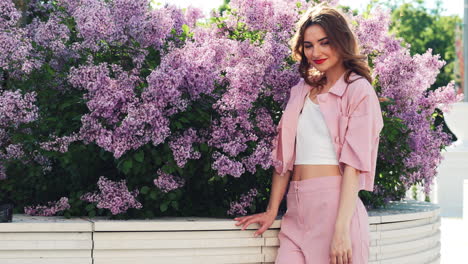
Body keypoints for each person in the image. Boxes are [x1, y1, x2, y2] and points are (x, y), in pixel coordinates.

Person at [233, 4, 384, 264]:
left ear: (341, 41)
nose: (316, 52)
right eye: (308, 45)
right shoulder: (301, 90)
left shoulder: (358, 90)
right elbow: (285, 155)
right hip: (296, 212)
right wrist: (272, 210)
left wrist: (341, 231)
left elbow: (354, 165)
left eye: (325, 42)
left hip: (336, 210)